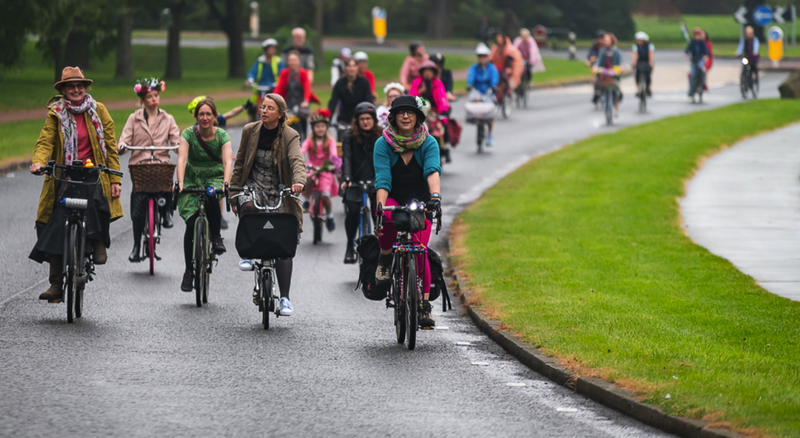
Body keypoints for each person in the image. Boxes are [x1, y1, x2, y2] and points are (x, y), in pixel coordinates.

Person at [29, 66, 123, 301]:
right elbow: (44, 142)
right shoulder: (56, 113)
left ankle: (97, 241)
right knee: (53, 221)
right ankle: (56, 283)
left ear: (85, 88)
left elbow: (110, 146)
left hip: (93, 173)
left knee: (96, 201)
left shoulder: (98, 111)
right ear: (63, 90)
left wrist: (114, 178)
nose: (76, 89)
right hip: (64, 173)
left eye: (80, 85)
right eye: (71, 86)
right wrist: (38, 163)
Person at [229, 94, 306, 316]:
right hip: (253, 185)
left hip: (281, 188)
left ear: (280, 114)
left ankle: (284, 298)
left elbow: (296, 160)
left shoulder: (290, 135)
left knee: (283, 242)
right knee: (249, 207)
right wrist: (234, 194)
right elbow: (241, 162)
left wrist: (299, 181)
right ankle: (247, 253)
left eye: (269, 108)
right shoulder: (249, 131)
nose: (263, 111)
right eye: (262, 107)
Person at [373, 95, 442, 327]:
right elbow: (383, 179)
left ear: (418, 117)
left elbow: (432, 170)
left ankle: (423, 305)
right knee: (387, 223)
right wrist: (380, 208)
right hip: (393, 196)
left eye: (410, 112)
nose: (405, 116)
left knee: (420, 250)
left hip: (421, 199)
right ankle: (384, 257)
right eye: (400, 112)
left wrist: (435, 197)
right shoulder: (383, 144)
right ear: (392, 117)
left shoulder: (429, 142)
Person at [119, 77, 181, 263]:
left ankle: (167, 212)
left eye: (156, 95)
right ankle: (137, 245)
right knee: (138, 204)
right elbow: (125, 138)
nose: (154, 99)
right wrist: (122, 146)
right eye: (149, 96)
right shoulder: (134, 118)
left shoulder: (168, 118)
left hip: (161, 162)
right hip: (141, 164)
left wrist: (178, 146)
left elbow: (175, 138)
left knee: (167, 181)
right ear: (142, 100)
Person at [176, 99, 233, 292]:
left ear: (215, 116)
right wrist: (181, 182)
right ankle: (188, 271)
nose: (205, 118)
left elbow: (227, 162)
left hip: (214, 178)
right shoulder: (188, 134)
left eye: (209, 114)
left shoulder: (222, 136)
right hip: (192, 178)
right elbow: (182, 159)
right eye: (201, 114)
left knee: (211, 196)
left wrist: (225, 184)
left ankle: (216, 237)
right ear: (196, 117)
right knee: (191, 224)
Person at [341, 102, 382, 263]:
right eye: (362, 119)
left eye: (369, 118)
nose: (365, 122)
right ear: (357, 120)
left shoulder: (380, 135)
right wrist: (347, 178)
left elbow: (383, 160)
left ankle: (380, 246)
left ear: (374, 120)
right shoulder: (349, 135)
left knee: (379, 212)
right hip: (355, 180)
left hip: (375, 180)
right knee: (352, 211)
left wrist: (382, 180)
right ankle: (350, 245)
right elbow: (347, 158)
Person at [301, 109, 339, 232]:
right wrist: (299, 159)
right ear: (313, 128)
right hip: (311, 166)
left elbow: (333, 153)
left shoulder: (330, 141)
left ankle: (329, 216)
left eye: (323, 126)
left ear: (326, 127)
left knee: (325, 194)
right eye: (317, 126)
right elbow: (302, 151)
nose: (320, 129)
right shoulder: (309, 140)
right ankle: (306, 201)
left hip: (325, 168)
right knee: (308, 179)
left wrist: (334, 163)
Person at [409, 60, 451, 162]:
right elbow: (411, 98)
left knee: (439, 130)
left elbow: (442, 98)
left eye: (430, 71)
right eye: (425, 71)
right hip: (419, 114)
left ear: (434, 72)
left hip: (434, 113)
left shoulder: (438, 84)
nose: (427, 73)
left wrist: (444, 110)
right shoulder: (417, 83)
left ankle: (442, 149)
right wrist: (420, 92)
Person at [328, 57, 373, 138]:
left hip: (360, 120)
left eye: (354, 66)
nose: (352, 69)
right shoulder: (340, 83)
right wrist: (328, 119)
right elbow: (333, 102)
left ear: (357, 67)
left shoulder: (364, 82)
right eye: (349, 66)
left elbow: (369, 101)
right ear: (345, 68)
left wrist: (370, 118)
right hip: (344, 119)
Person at [467, 43, 500, 146]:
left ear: (487, 57)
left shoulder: (492, 68)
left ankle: (490, 134)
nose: (482, 58)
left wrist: (494, 86)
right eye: (480, 56)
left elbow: (495, 78)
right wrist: (469, 84)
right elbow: (471, 78)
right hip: (477, 92)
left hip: (489, 92)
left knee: (490, 114)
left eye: (484, 56)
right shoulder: (474, 68)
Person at [274, 51, 312, 140]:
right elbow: (279, 87)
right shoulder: (284, 73)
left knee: (302, 115)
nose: (292, 63)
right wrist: (274, 98)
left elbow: (307, 87)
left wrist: (306, 100)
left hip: (301, 101)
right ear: (287, 62)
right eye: (290, 60)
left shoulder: (303, 73)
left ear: (299, 62)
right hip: (288, 101)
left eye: (294, 60)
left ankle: (304, 136)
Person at [246, 38, 285, 119]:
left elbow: (283, 73)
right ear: (265, 50)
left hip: (274, 88)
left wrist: (280, 82)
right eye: (270, 49)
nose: (272, 51)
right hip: (261, 88)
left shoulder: (278, 61)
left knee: (278, 105)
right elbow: (252, 72)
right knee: (256, 105)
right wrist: (250, 79)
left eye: (274, 49)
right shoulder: (260, 61)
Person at [592, 32, 623, 116]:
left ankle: (616, 106)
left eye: (607, 40)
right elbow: (599, 62)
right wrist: (596, 67)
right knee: (597, 84)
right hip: (605, 73)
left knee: (616, 90)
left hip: (614, 74)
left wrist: (619, 68)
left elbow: (620, 63)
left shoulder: (616, 51)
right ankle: (597, 97)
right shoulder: (603, 51)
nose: (606, 42)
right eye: (605, 40)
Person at [489, 31, 524, 102]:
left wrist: (508, 68)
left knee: (506, 78)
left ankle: (508, 91)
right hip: (499, 67)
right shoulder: (495, 48)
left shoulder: (509, 49)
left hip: (509, 67)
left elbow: (509, 58)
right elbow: (491, 59)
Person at [685, 27, 709, 97]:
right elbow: (688, 50)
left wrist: (705, 56)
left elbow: (705, 51)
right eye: (696, 35)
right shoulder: (692, 42)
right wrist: (686, 55)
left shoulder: (702, 42)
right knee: (693, 75)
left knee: (702, 72)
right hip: (694, 60)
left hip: (700, 60)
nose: (697, 37)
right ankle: (691, 90)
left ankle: (702, 85)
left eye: (699, 35)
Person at [631, 31, 654, 97]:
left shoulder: (650, 46)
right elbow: (634, 55)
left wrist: (650, 63)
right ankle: (638, 89)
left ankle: (648, 88)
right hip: (640, 61)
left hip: (647, 61)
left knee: (648, 75)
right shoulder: (636, 46)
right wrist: (633, 63)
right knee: (637, 75)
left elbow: (651, 55)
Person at [586, 30, 606, 104]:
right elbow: (590, 54)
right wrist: (588, 60)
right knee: (595, 78)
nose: (600, 40)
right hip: (596, 63)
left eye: (602, 38)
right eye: (599, 38)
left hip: (604, 64)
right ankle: (595, 92)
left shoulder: (606, 46)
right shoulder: (595, 46)